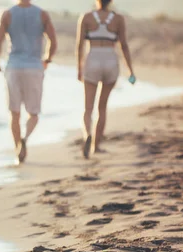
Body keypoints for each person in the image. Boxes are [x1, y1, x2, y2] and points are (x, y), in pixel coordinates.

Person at [0, 0, 57, 164]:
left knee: (14, 112)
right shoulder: (42, 14)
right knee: (33, 113)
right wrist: (47, 59)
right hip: (34, 67)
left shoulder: (7, 14)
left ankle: (17, 149)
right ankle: (25, 139)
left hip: (14, 67)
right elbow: (53, 41)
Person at [76, 0, 135, 158]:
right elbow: (124, 45)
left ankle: (86, 134)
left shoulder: (86, 17)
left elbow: (79, 45)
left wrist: (79, 68)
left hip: (92, 58)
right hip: (110, 60)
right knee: (102, 107)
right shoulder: (118, 19)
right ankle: (96, 146)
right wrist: (131, 71)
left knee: (88, 108)